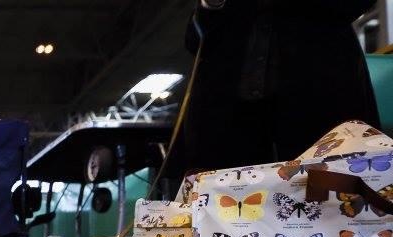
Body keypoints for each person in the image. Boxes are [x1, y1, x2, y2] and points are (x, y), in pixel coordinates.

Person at [160, 0, 381, 191]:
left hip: (317, 93)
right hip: (229, 107)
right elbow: (196, 40)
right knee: (226, 207)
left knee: (327, 199)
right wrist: (212, 4)